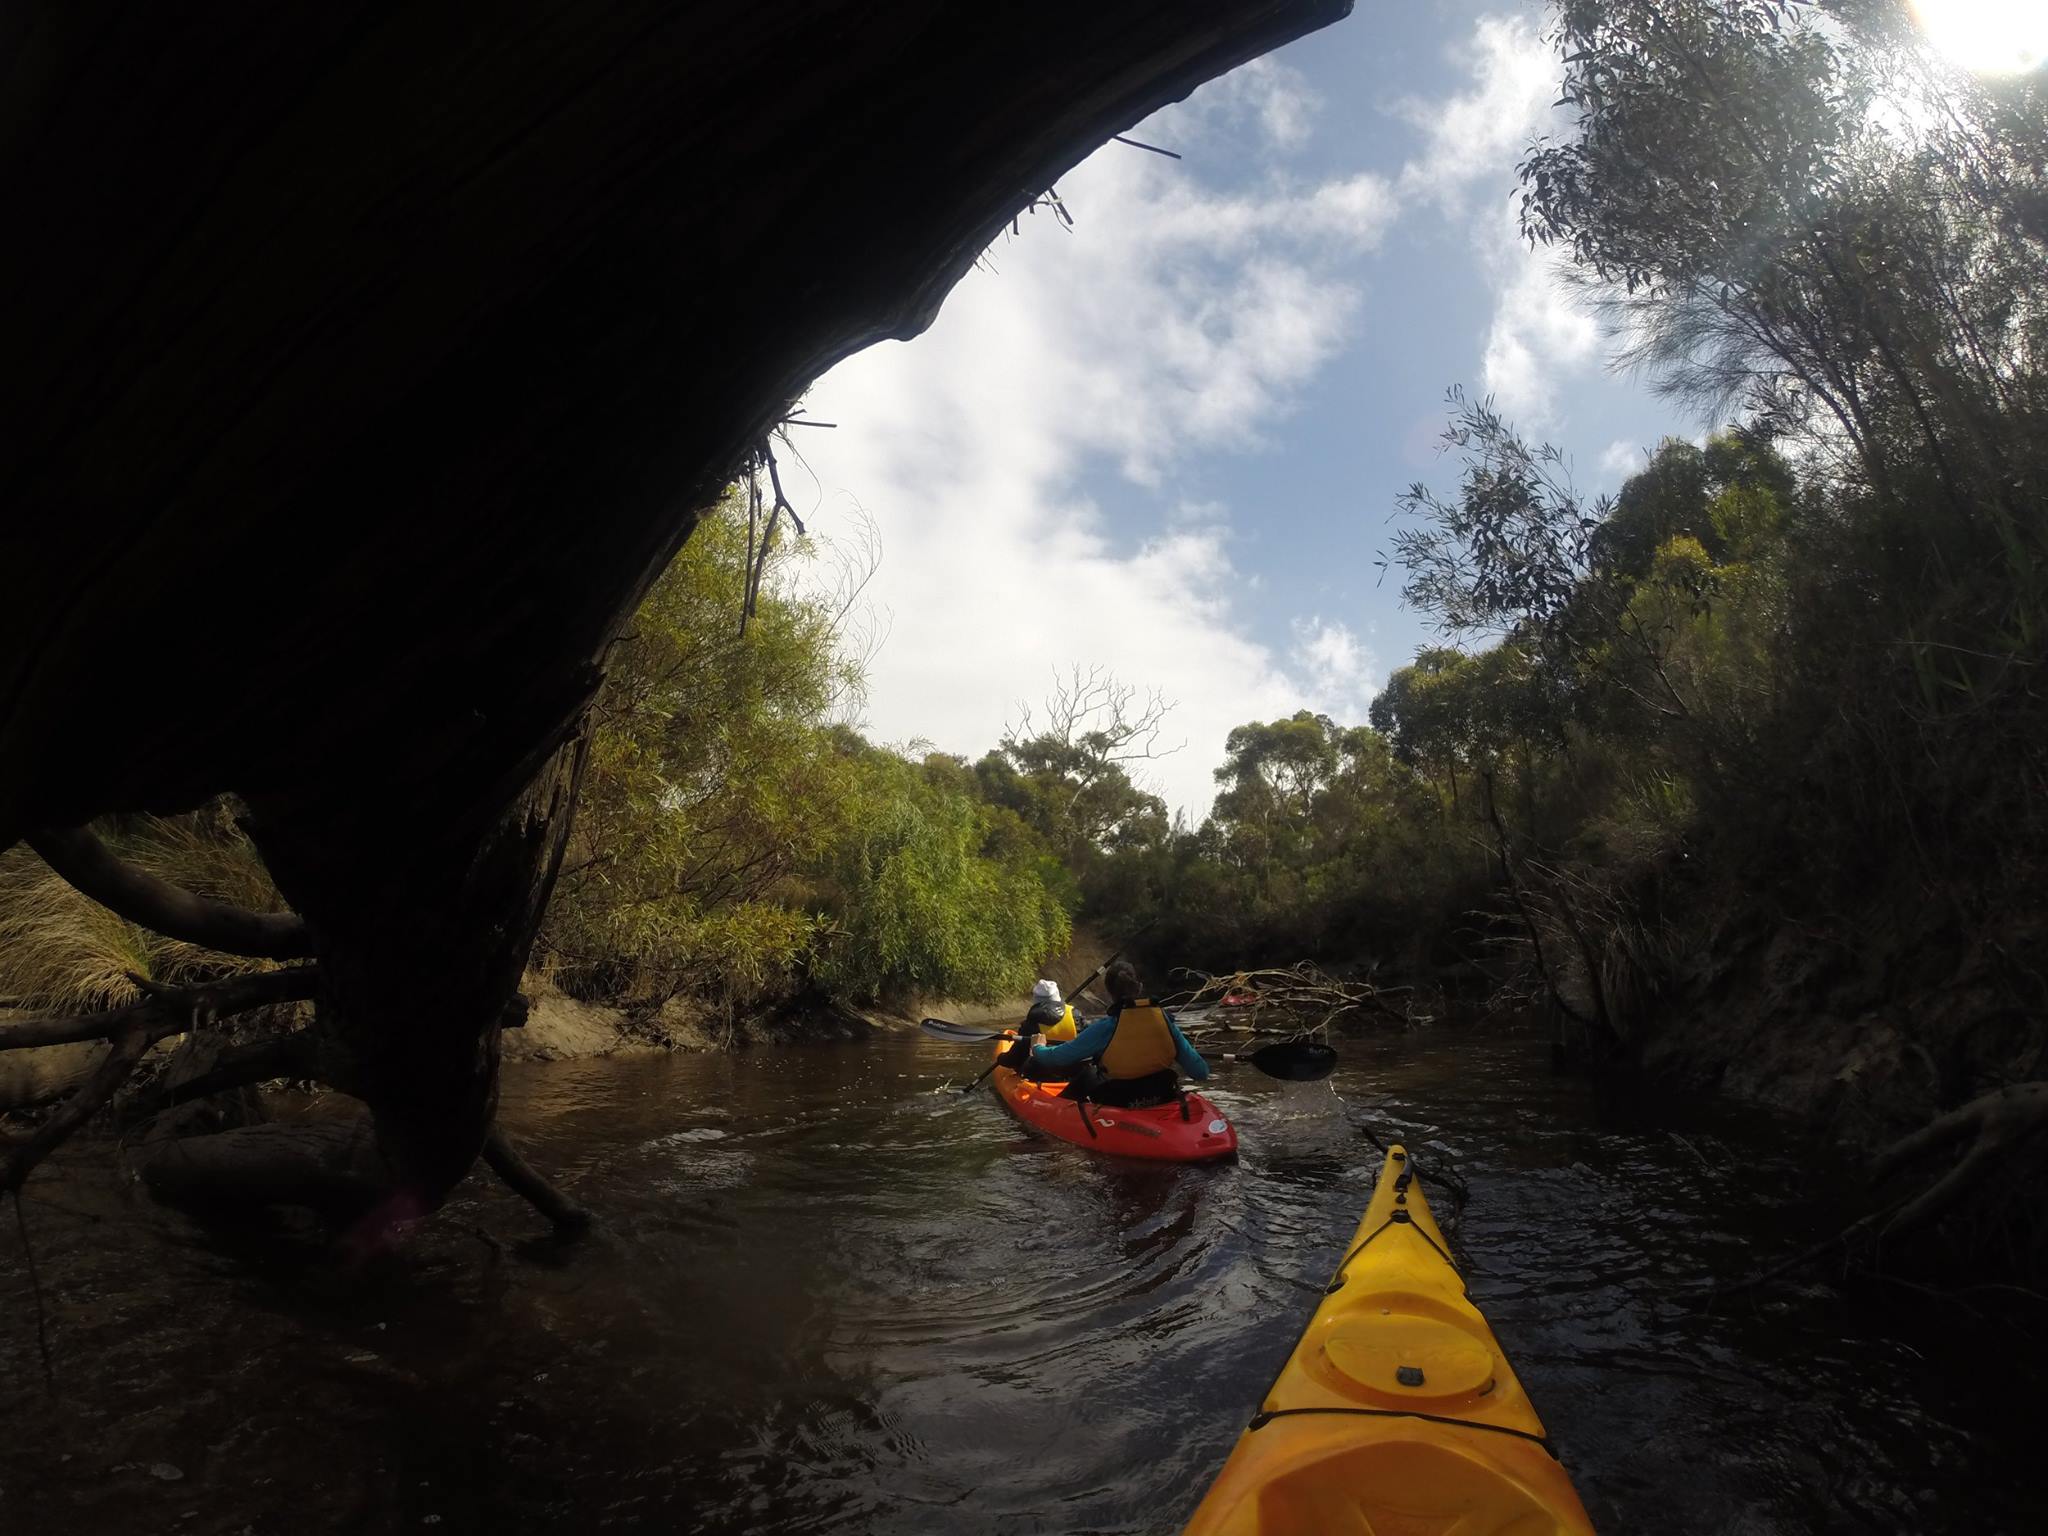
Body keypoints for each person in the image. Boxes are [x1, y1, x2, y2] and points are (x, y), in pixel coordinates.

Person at [1004, 960, 1208, 1108]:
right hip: (1162, 1094)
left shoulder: (1105, 1027)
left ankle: (1057, 1111)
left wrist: (1037, 1048)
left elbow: (1058, 1057)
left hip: (1121, 1099)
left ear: (1110, 993)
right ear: (1140, 987)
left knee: (1091, 1074)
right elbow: (1201, 1072)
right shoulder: (1165, 1020)